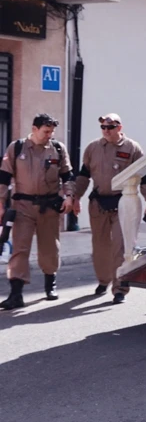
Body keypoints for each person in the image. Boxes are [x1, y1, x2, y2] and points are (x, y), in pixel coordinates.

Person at [73, 114, 146, 304]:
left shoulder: (132, 148)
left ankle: (120, 288)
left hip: (122, 204)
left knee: (120, 246)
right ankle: (103, 280)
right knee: (100, 246)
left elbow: (144, 177)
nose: (106, 130)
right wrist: (76, 197)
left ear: (119, 127)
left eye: (110, 127)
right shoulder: (93, 148)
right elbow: (83, 175)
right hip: (98, 203)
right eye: (103, 127)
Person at [0, 114, 75, 310]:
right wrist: (0, 204)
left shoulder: (58, 149)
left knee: (49, 248)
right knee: (20, 249)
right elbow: (4, 177)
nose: (49, 135)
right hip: (22, 206)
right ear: (34, 129)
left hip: (49, 206)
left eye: (51, 132)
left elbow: (67, 176)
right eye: (46, 131)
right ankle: (16, 293)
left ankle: (50, 285)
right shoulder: (16, 148)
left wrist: (69, 196)